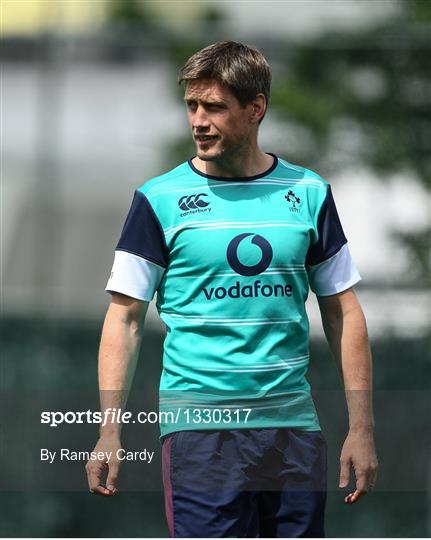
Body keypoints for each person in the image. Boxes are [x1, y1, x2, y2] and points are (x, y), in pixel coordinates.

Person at [86, 41, 378, 537]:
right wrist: (109, 431)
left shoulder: (309, 193)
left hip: (293, 431)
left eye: (215, 106)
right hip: (200, 434)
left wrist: (362, 428)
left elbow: (343, 312)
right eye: (192, 106)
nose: (198, 120)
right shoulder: (158, 200)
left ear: (256, 108)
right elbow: (125, 318)